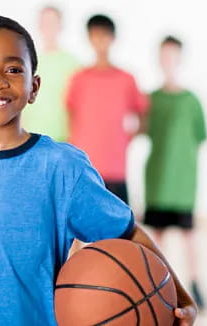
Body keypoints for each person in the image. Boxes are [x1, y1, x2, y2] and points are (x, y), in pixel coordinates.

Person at [0, 16, 197, 326]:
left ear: (34, 86)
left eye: (14, 69)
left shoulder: (62, 168)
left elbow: (128, 232)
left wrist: (182, 298)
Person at [143, 36, 207, 309]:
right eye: (164, 56)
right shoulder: (150, 99)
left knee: (188, 235)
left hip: (182, 182)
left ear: (180, 59)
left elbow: (201, 136)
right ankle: (158, 285)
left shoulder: (191, 100)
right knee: (156, 238)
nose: (168, 61)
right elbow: (141, 129)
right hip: (157, 178)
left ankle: (195, 283)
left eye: (173, 56)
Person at [66, 14, 147, 204]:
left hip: (116, 168)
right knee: (82, 228)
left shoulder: (126, 79)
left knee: (120, 228)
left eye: (104, 36)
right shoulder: (79, 78)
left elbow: (142, 115)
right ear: (89, 40)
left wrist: (125, 139)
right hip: (86, 168)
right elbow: (71, 115)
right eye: (95, 36)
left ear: (113, 39)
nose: (100, 42)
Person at [22, 5, 79, 142]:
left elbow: (78, 103)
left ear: (60, 26)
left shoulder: (73, 63)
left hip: (63, 137)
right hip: (31, 136)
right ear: (39, 25)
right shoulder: (26, 61)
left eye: (53, 22)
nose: (49, 27)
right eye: (45, 22)